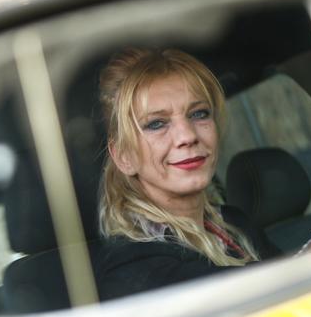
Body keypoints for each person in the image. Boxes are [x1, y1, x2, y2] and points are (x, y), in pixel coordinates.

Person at [92, 48, 279, 301]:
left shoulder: (236, 225)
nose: (188, 136)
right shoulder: (132, 268)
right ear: (124, 156)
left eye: (198, 114)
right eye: (156, 123)